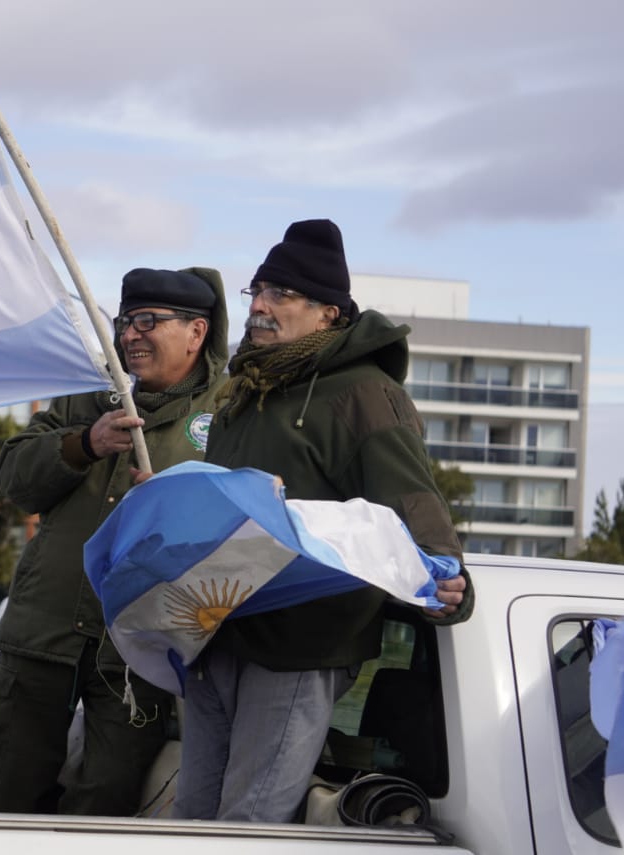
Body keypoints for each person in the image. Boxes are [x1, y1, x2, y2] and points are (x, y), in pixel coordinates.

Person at [171, 219, 474, 823]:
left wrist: (447, 579)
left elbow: (409, 496)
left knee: (250, 826)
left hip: (304, 643)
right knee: (194, 821)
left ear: (328, 313)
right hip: (221, 628)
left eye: (281, 294)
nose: (260, 306)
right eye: (257, 290)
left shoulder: (364, 392)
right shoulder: (244, 392)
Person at [0, 266, 230, 816]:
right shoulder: (88, 397)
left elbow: (249, 528)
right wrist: (84, 442)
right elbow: (14, 479)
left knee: (104, 808)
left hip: (141, 656)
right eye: (125, 322)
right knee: (1, 792)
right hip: (44, 636)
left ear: (196, 333)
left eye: (148, 322)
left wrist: (181, 506)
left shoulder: (230, 417)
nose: (130, 335)